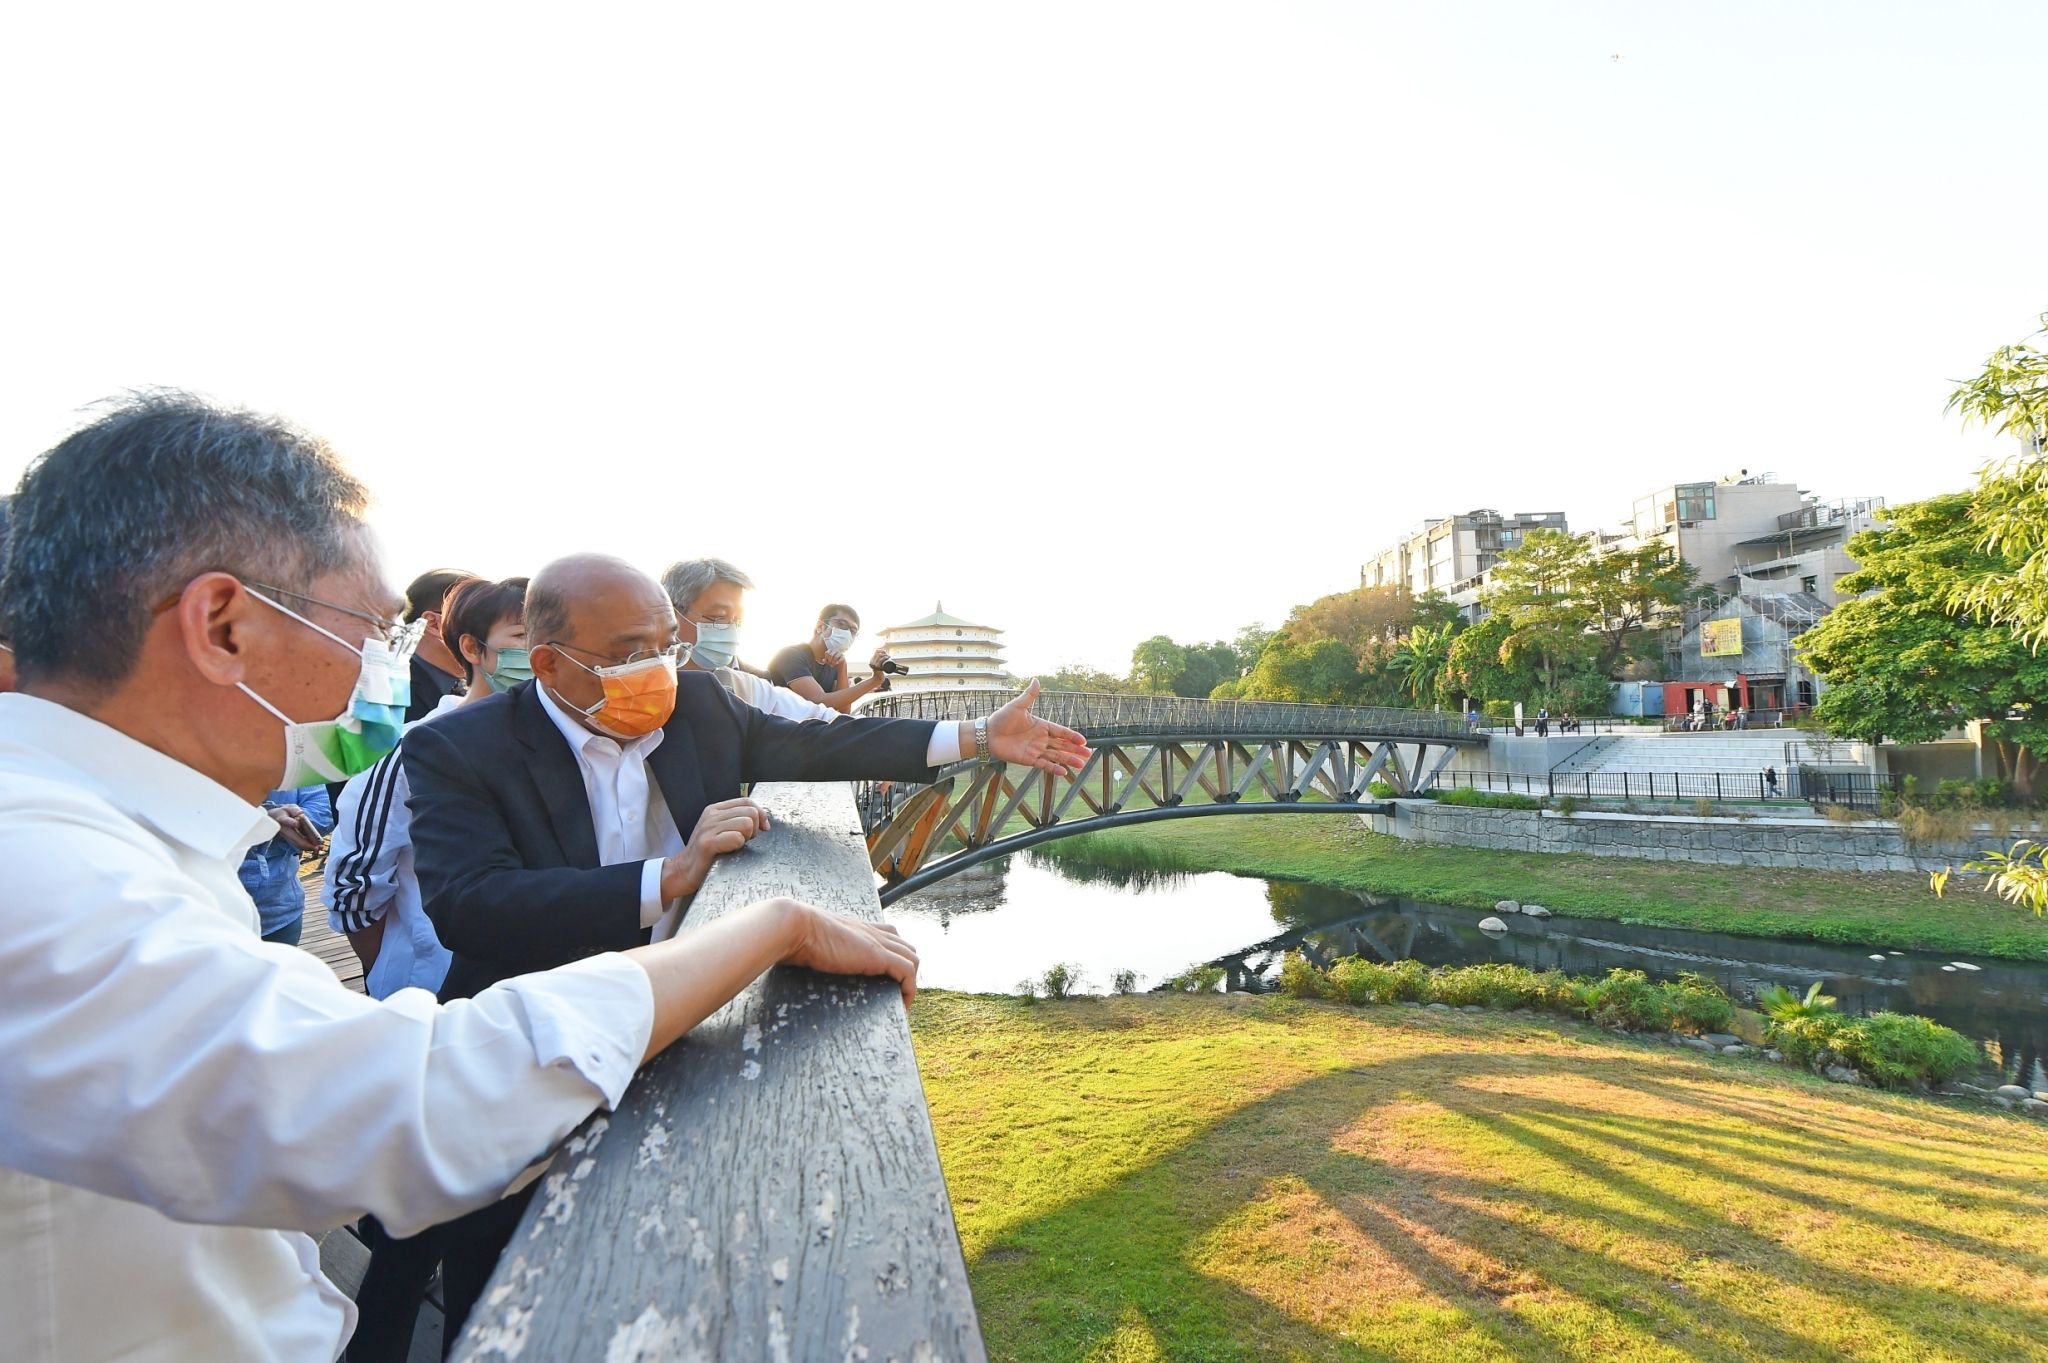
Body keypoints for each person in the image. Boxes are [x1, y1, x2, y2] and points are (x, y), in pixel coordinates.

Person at [0, 393, 928, 1363]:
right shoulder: (40, 878)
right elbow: (415, 1102)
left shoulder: (105, 835)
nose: (384, 669)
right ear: (224, 627)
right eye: (371, 631)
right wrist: (767, 927)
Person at [405, 552, 1089, 1337]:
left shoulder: (696, 702)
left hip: (674, 1042)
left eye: (666, 644)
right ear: (550, 664)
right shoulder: (458, 748)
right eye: (628, 653)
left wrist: (976, 734)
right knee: (491, 1299)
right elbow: (470, 903)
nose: (655, 668)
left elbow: (816, 746)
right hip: (532, 1059)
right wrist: (666, 876)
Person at [324, 575, 527, 1363]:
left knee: (487, 1216)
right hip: (427, 1013)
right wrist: (398, 972)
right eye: (522, 639)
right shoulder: (419, 747)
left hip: (509, 1013)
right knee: (410, 1222)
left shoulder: (545, 741)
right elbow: (354, 882)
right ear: (472, 648)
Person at [660, 557, 838, 723]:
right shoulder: (649, 683)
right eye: (718, 617)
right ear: (672, 616)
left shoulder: (747, 685)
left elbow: (821, 719)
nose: (730, 628)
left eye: (737, 620)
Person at [238, 784, 334, 946]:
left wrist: (283, 827)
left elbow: (324, 805)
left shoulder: (296, 768)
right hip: (209, 914)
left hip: (279, 908)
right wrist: (266, 822)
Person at [768, 603, 894, 713]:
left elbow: (844, 710)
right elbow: (818, 702)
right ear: (820, 626)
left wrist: (842, 667)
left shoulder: (834, 664)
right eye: (841, 624)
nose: (847, 633)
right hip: (780, 728)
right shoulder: (791, 655)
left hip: (811, 729)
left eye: (853, 631)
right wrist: (875, 680)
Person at [402, 568, 477, 723]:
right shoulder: (392, 689)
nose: (490, 628)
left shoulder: (489, 687)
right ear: (434, 623)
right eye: (481, 616)